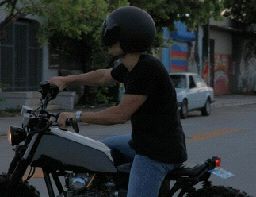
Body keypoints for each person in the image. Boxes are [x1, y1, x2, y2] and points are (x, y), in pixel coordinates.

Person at [49, 6, 187, 197]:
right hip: (146, 141)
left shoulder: (146, 69)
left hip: (157, 153)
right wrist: (66, 80)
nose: (108, 36)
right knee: (103, 148)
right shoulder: (131, 65)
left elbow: (120, 114)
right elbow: (103, 76)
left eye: (113, 32)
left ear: (126, 37)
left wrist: (76, 116)